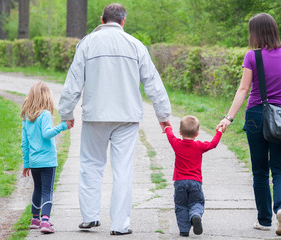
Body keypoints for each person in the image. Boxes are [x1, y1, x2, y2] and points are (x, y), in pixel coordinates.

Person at [58, 3, 172, 236]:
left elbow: (74, 81)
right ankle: (121, 225)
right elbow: (152, 82)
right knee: (123, 170)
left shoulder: (87, 43)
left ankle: (90, 217)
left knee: (90, 166)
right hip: (126, 117)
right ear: (123, 21)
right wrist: (163, 115)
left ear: (102, 20)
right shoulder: (135, 45)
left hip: (95, 116)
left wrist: (66, 113)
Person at [216, 13, 281, 236]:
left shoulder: (252, 57)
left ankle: (264, 220)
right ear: (274, 30)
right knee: (280, 169)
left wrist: (229, 117)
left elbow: (243, 89)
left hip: (256, 116)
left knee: (260, 171)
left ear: (255, 33)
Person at [21, 81, 70, 234]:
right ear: (47, 97)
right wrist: (63, 126)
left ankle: (35, 219)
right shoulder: (45, 114)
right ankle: (45, 221)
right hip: (48, 160)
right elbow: (46, 133)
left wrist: (26, 163)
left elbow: (25, 143)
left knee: (38, 188)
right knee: (47, 190)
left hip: (35, 161)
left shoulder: (27, 117)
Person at [164, 115, 223, 237]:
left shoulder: (176, 144)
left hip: (180, 182)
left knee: (181, 205)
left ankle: (184, 230)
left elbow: (170, 136)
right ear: (197, 134)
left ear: (180, 132)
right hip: (195, 182)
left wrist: (167, 127)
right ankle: (195, 215)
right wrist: (219, 132)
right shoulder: (199, 146)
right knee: (196, 203)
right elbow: (213, 144)